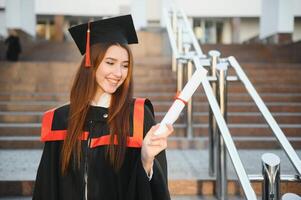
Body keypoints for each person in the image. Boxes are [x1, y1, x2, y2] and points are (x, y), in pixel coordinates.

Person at [32, 15, 173, 200]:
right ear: (91, 63)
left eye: (125, 66)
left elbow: (155, 191)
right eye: (110, 63)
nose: (119, 73)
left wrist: (146, 160)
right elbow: (47, 188)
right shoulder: (60, 120)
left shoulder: (137, 116)